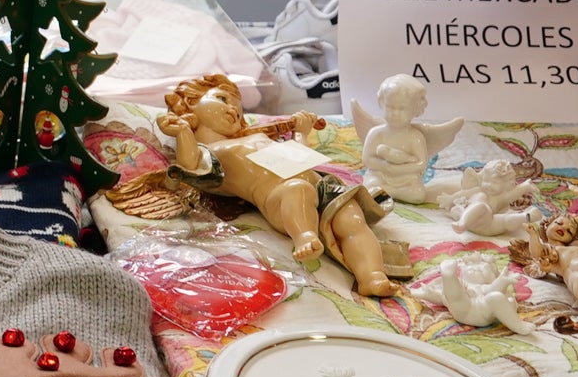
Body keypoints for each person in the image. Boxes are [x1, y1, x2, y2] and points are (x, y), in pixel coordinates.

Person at [157, 74, 410, 296]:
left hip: (320, 185)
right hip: (278, 197)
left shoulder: (257, 137)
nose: (234, 111)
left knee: (352, 220)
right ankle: (305, 236)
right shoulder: (211, 150)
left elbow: (298, 156)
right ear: (191, 103)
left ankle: (372, 278)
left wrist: (302, 131)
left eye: (239, 110)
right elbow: (189, 165)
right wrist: (182, 132)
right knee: (298, 191)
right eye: (223, 100)